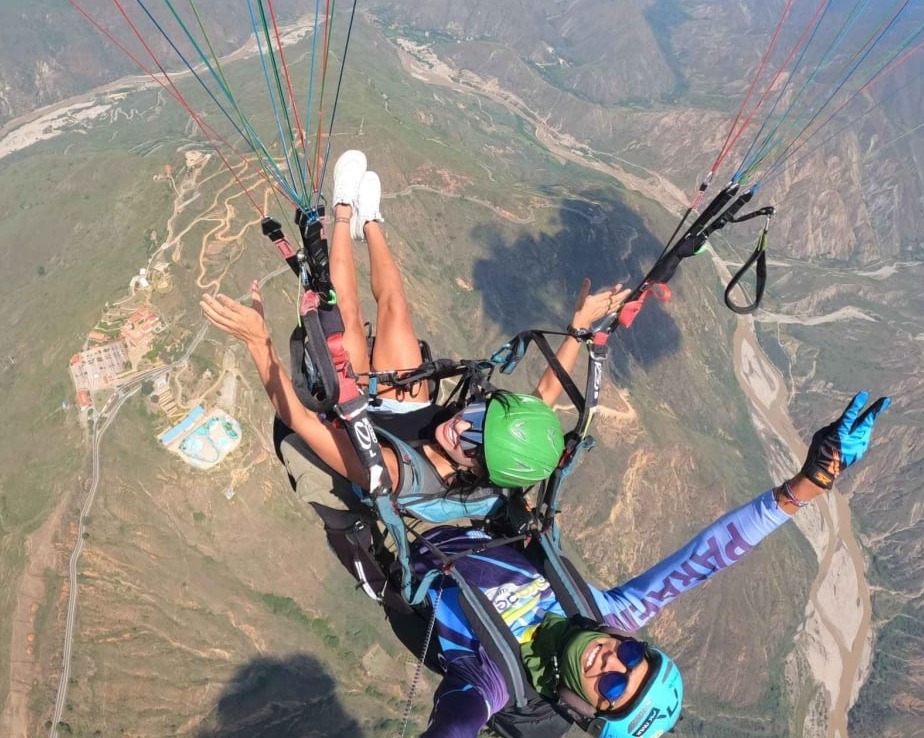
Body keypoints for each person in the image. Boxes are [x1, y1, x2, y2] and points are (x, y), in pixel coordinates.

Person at [371, 390, 891, 738]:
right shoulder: (607, 616)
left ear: (585, 709)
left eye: (615, 686)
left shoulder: (497, 681)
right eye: (634, 658)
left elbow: (453, 736)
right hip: (450, 498)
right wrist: (808, 485)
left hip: (383, 534)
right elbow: (703, 561)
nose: (612, 660)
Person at [201, 149, 628, 500]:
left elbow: (301, 421)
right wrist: (577, 328)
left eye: (473, 438)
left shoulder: (392, 474)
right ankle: (371, 220)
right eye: (480, 413)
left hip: (357, 420)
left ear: (476, 469)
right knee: (396, 308)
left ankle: (343, 211)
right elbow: (545, 396)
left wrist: (259, 344)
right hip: (411, 408)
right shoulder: (485, 444)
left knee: (345, 313)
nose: (462, 423)